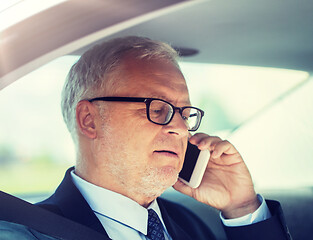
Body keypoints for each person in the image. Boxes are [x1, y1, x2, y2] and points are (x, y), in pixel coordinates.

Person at [2, 36, 291, 240]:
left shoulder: (190, 223)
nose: (180, 128)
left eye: (184, 112)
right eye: (157, 108)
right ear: (89, 120)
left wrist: (242, 209)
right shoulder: (28, 232)